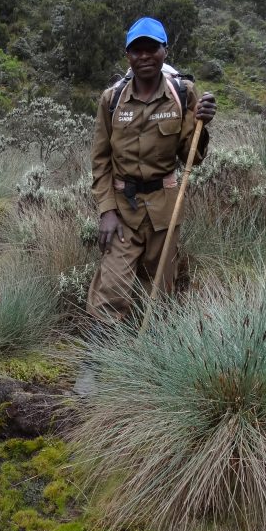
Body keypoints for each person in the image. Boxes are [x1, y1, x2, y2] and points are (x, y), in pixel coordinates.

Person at [86, 16, 217, 322]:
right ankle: (99, 347)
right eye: (137, 50)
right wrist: (106, 211)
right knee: (110, 289)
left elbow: (192, 156)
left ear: (164, 51)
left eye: (152, 48)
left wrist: (203, 124)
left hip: (164, 210)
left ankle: (151, 347)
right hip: (123, 211)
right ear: (128, 56)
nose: (144, 56)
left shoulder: (182, 93)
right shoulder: (112, 100)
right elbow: (100, 160)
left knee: (158, 293)